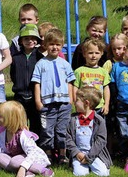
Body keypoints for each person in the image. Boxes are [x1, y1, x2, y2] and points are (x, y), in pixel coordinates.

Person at [31, 28, 76, 164]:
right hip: (48, 104)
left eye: (58, 44)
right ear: (45, 45)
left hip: (63, 103)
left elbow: (70, 82)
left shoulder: (65, 64)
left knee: (62, 130)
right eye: (51, 44)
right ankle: (48, 154)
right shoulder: (41, 64)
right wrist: (38, 101)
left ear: (62, 46)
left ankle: (62, 155)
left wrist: (70, 99)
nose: (54, 47)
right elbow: (37, 84)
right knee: (47, 131)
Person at [0, 101, 54, 177]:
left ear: (10, 119)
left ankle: (43, 170)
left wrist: (23, 167)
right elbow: (2, 150)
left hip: (32, 158)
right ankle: (28, 171)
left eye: (0, 116)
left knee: (14, 161)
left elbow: (32, 153)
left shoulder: (22, 134)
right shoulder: (2, 131)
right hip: (15, 158)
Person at [65, 86, 112, 176]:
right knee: (80, 174)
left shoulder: (99, 121)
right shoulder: (73, 119)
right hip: (79, 154)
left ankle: (92, 165)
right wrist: (77, 153)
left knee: (103, 174)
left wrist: (89, 157)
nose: (75, 102)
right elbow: (68, 138)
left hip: (94, 155)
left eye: (77, 100)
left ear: (86, 103)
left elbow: (101, 141)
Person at [10, 23, 44, 136]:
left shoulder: (40, 58)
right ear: (21, 41)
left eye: (33, 38)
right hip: (19, 96)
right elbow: (13, 75)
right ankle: (19, 146)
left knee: (36, 124)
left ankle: (36, 147)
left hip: (35, 96)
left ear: (37, 41)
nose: (30, 41)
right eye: (26, 38)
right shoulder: (15, 58)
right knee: (19, 123)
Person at [73, 38, 111, 116]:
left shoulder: (103, 72)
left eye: (97, 53)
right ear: (84, 54)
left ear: (101, 54)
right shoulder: (79, 71)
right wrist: (76, 102)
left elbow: (106, 89)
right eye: (90, 53)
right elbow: (75, 88)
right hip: (84, 106)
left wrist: (106, 104)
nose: (93, 56)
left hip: (99, 106)